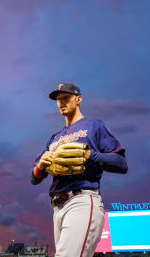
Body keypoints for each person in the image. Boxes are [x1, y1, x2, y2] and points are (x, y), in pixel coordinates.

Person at [31, 83, 128, 257]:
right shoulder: (55, 138)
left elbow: (121, 163)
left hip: (82, 200)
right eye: (58, 100)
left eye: (66, 98)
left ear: (78, 99)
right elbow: (35, 178)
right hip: (57, 208)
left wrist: (90, 155)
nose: (61, 102)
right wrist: (40, 166)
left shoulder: (94, 126)